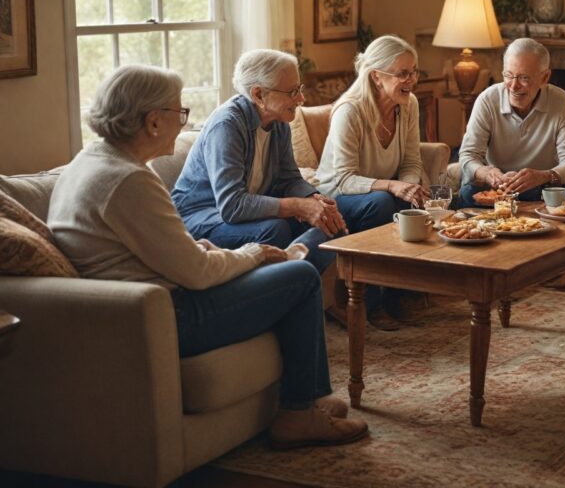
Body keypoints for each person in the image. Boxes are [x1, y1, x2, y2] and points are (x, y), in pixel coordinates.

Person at [47, 65, 368, 449]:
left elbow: (161, 249)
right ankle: (298, 414)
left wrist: (215, 250)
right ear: (152, 122)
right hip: (169, 315)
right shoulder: (128, 180)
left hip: (153, 303)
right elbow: (197, 275)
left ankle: (311, 398)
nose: (184, 124)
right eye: (178, 114)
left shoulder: (93, 161)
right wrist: (252, 254)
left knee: (291, 261)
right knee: (298, 276)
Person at [172, 49, 345, 274]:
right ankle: (287, 288)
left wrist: (313, 199)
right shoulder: (227, 126)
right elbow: (232, 206)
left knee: (332, 226)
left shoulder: (279, 121)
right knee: (275, 230)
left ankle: (289, 287)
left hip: (239, 216)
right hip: (201, 217)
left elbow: (289, 179)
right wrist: (297, 206)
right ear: (258, 95)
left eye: (299, 89)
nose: (301, 99)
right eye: (293, 91)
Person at [315, 35, 430, 329]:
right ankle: (373, 303)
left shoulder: (409, 105)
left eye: (414, 71)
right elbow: (342, 178)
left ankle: (405, 293)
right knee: (383, 202)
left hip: (376, 189)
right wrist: (393, 186)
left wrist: (410, 188)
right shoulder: (350, 111)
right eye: (402, 73)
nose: (411, 80)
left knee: (414, 202)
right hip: (337, 195)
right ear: (377, 77)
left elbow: (411, 162)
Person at [457, 38, 565, 206]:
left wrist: (545, 176)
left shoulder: (562, 102)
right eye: (508, 75)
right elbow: (468, 156)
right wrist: (488, 173)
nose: (513, 86)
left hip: (544, 186)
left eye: (524, 78)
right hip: (500, 188)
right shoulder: (488, 100)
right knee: (467, 193)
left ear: (544, 77)